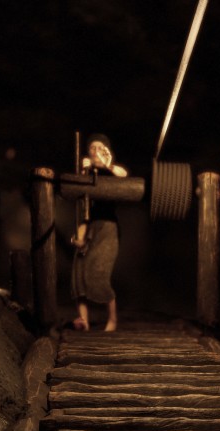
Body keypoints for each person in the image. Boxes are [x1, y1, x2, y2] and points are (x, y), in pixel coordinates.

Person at [71, 133, 128, 331]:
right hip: (89, 226)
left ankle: (112, 320)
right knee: (79, 270)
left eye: (99, 148)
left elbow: (123, 175)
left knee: (99, 274)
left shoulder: (111, 171)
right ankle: (83, 320)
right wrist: (84, 168)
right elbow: (82, 210)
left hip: (108, 228)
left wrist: (107, 164)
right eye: (92, 149)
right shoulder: (87, 173)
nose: (95, 152)